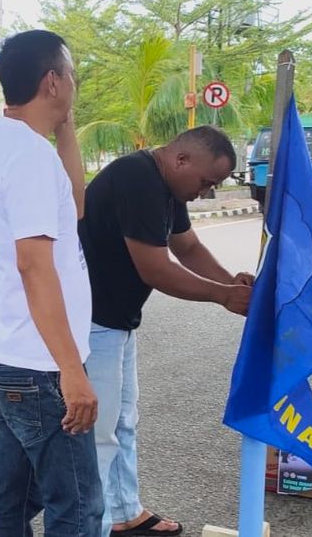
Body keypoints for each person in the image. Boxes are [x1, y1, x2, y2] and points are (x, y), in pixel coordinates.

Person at [78, 127, 254, 537]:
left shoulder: (167, 188)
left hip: (116, 321)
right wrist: (223, 296)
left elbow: (187, 247)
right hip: (91, 321)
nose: (205, 193)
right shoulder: (137, 178)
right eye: (206, 183)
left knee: (123, 420)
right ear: (181, 160)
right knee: (99, 434)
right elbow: (156, 269)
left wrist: (233, 286)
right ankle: (94, 526)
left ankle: (124, 512)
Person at [0, 29, 103, 536]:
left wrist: (66, 127)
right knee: (77, 506)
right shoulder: (26, 156)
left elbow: (76, 204)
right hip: (40, 368)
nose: (74, 82)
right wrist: (71, 370)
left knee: (13, 499)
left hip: (6, 356)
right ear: (52, 81)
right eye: (70, 73)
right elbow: (33, 264)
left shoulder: (5, 141)